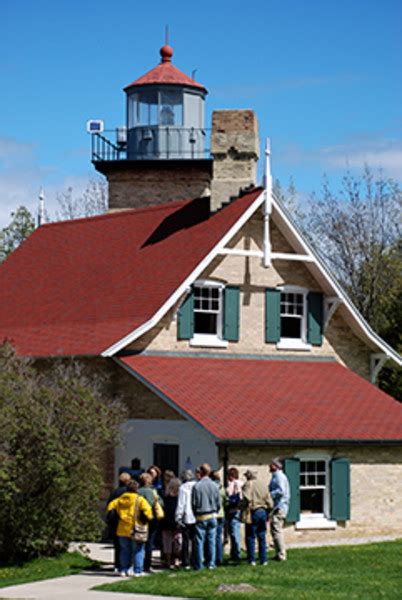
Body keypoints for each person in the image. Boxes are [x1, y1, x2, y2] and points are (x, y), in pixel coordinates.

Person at [107, 480, 153, 577]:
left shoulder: (119, 500)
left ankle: (123, 569)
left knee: (124, 550)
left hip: (122, 528)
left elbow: (110, 508)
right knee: (138, 550)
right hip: (136, 528)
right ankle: (137, 571)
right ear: (137, 489)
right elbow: (148, 513)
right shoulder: (140, 500)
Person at [191, 463, 221, 571]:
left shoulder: (197, 486)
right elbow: (218, 502)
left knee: (199, 541)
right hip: (212, 515)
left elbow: (193, 503)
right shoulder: (215, 485)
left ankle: (199, 564)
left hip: (201, 515)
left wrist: (195, 513)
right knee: (212, 541)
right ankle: (211, 563)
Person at [242, 470, 272, 566]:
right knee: (262, 535)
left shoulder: (248, 484)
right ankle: (263, 559)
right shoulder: (263, 485)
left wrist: (241, 506)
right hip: (263, 511)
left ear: (248, 476)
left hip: (253, 511)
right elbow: (270, 501)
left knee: (250, 536)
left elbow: (246, 498)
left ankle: (252, 559)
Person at [106, 472, 132, 573]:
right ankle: (127, 564)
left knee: (118, 545)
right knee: (128, 545)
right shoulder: (130, 494)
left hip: (116, 521)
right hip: (128, 521)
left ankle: (117, 564)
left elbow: (109, 506)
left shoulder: (115, 492)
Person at [138, 472, 164, 572]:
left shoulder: (138, 491)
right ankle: (147, 564)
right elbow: (160, 503)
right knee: (149, 542)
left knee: (139, 542)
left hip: (139, 519)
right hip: (152, 519)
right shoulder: (153, 491)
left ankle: (138, 563)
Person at [268, 458, 290, 561]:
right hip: (278, 506)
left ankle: (281, 554)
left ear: (275, 466)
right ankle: (278, 553)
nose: (269, 466)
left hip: (279, 507)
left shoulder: (279, 476)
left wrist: (269, 495)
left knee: (277, 531)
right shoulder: (276, 476)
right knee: (275, 530)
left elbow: (281, 491)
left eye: (271, 465)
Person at [176, 469, 196, 569]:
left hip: (186, 516)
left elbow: (181, 503)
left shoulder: (183, 488)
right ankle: (195, 559)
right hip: (196, 516)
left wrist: (178, 517)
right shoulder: (197, 485)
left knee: (186, 540)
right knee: (195, 540)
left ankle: (186, 561)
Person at [161, 477, 182, 569]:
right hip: (177, 522)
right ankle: (177, 560)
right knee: (177, 542)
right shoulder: (179, 498)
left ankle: (168, 561)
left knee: (167, 542)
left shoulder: (165, 498)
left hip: (166, 522)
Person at [226, 467, 243, 562]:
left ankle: (236, 554)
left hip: (234, 510)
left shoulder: (235, 484)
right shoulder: (241, 483)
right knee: (234, 532)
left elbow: (235, 497)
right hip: (237, 510)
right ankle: (234, 553)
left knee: (234, 532)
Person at [210, 470, 227, 566]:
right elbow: (225, 499)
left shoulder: (211, 487)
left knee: (211, 537)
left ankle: (211, 558)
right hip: (221, 514)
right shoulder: (221, 487)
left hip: (213, 514)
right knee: (218, 537)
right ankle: (219, 558)